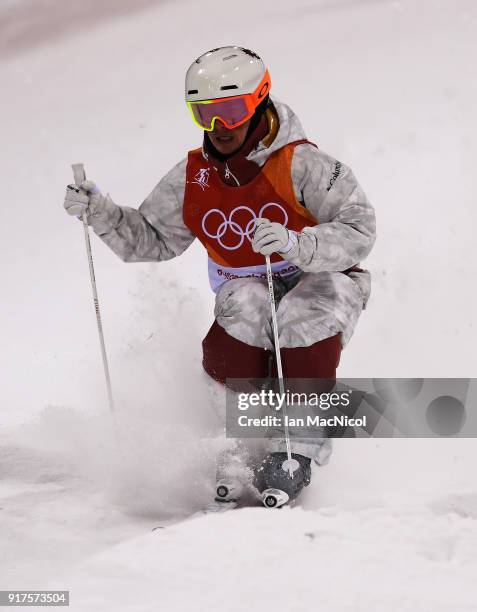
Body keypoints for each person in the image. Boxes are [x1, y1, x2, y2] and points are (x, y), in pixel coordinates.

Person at [64, 46, 376, 507]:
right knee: (243, 311)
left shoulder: (302, 164)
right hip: (250, 284)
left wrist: (298, 243)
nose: (219, 127)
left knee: (301, 317)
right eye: (204, 113)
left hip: (324, 279)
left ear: (259, 101)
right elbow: (151, 240)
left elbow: (359, 227)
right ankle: (240, 442)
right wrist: (102, 214)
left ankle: (295, 449)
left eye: (230, 110)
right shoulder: (196, 175)